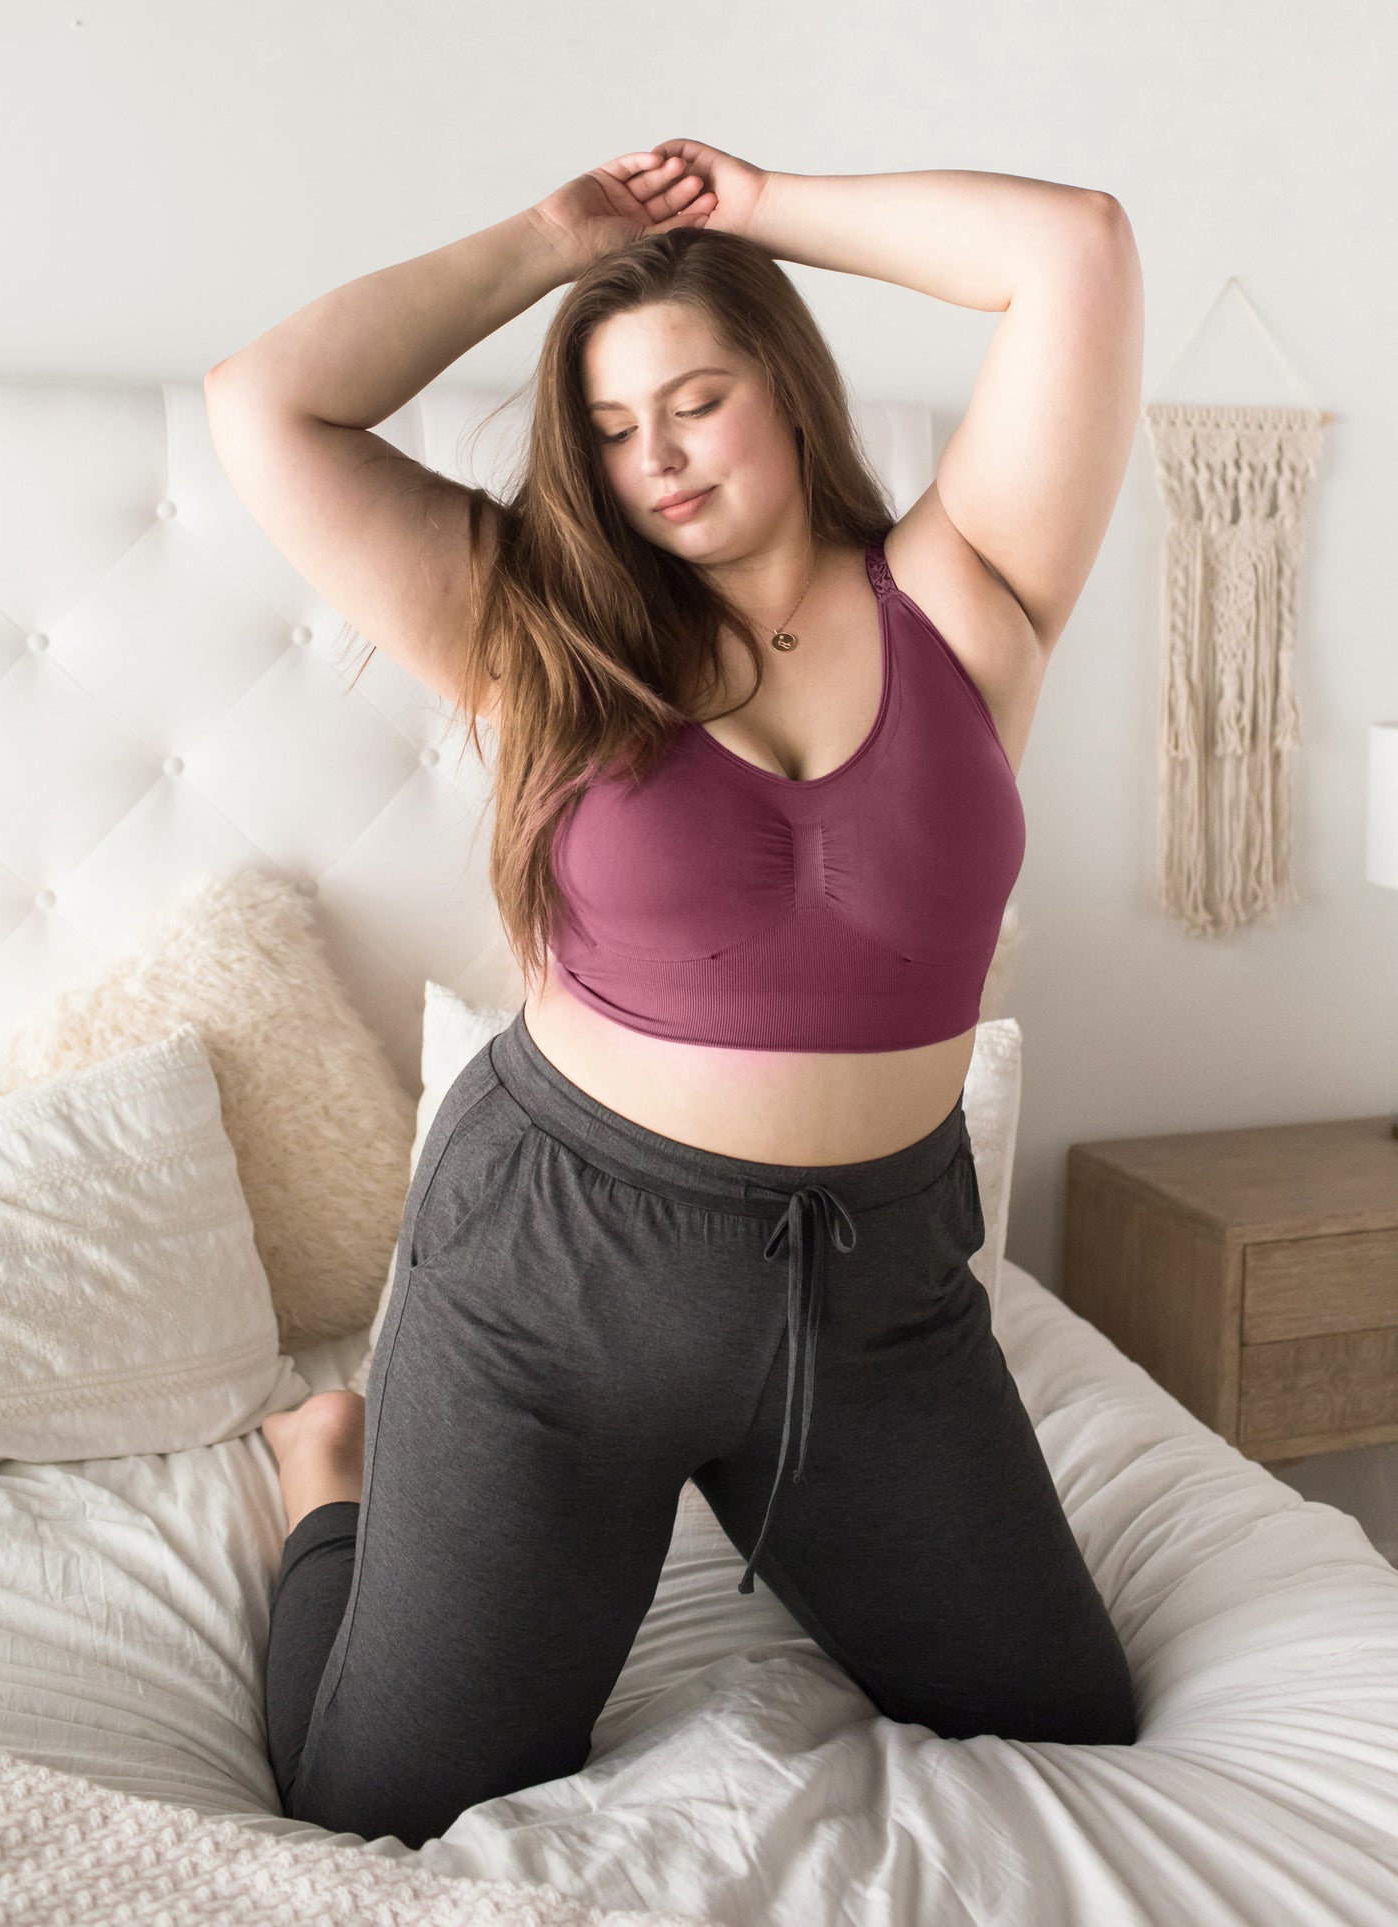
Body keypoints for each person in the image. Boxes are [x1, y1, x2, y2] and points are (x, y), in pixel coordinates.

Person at [208, 141, 1145, 1850]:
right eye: (615, 432)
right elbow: (268, 407)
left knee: (1068, 1724)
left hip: (873, 1296)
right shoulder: (538, 624)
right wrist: (553, 241)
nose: (655, 464)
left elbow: (1073, 247)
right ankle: (326, 1475)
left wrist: (746, 204)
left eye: (694, 402)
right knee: (370, 1800)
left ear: (784, 386)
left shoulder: (964, 593)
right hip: (558, 1286)